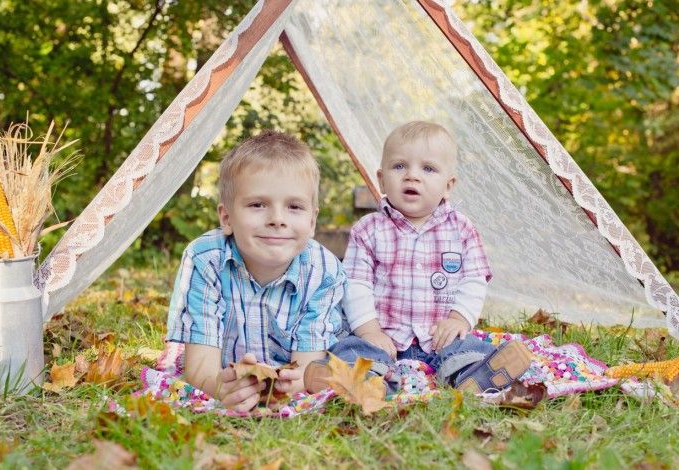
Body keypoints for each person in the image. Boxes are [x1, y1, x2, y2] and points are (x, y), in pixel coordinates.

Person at [305, 121, 530, 394]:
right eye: (399, 166)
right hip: (384, 336)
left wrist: (459, 319)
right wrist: (369, 330)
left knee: (466, 348)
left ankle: (475, 375)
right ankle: (363, 382)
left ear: (448, 185)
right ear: (381, 179)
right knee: (353, 348)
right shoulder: (369, 229)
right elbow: (356, 284)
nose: (412, 176)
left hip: (439, 336)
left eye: (428, 168)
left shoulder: (462, 229)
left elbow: (474, 279)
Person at [165, 130, 350, 412]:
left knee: (354, 361)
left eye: (294, 207)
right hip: (224, 369)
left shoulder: (323, 270)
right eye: (257, 205)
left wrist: (290, 386)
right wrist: (219, 387)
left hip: (292, 370)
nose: (277, 219)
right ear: (227, 217)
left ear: (312, 222)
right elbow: (200, 367)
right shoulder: (206, 259)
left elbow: (303, 369)